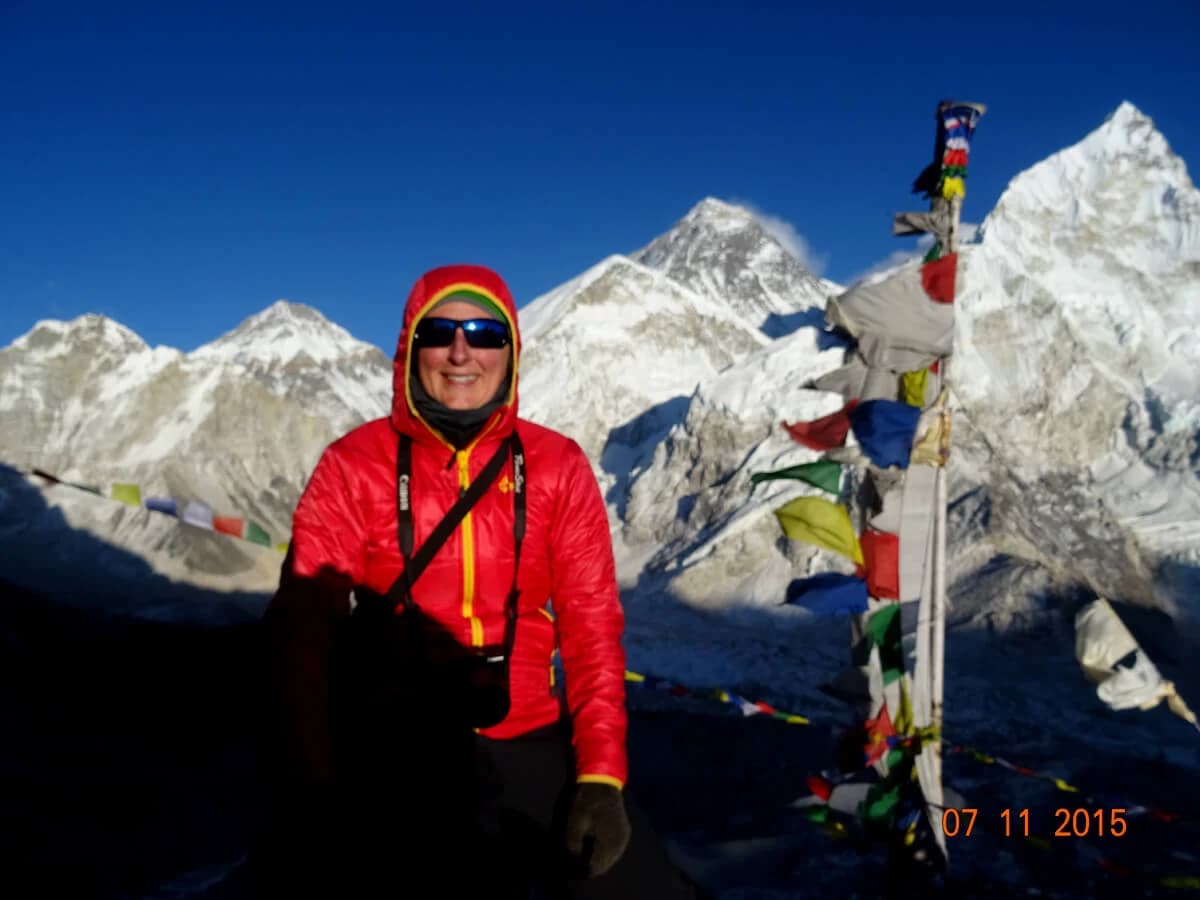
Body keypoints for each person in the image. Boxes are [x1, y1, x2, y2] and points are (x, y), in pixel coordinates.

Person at [251, 264, 703, 899]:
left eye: (485, 334)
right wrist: (313, 780)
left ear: (510, 352)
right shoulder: (354, 465)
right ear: (411, 349)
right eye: (440, 332)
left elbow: (591, 629)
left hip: (527, 733)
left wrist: (601, 778)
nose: (461, 352)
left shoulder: (557, 466)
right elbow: (303, 628)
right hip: (391, 742)